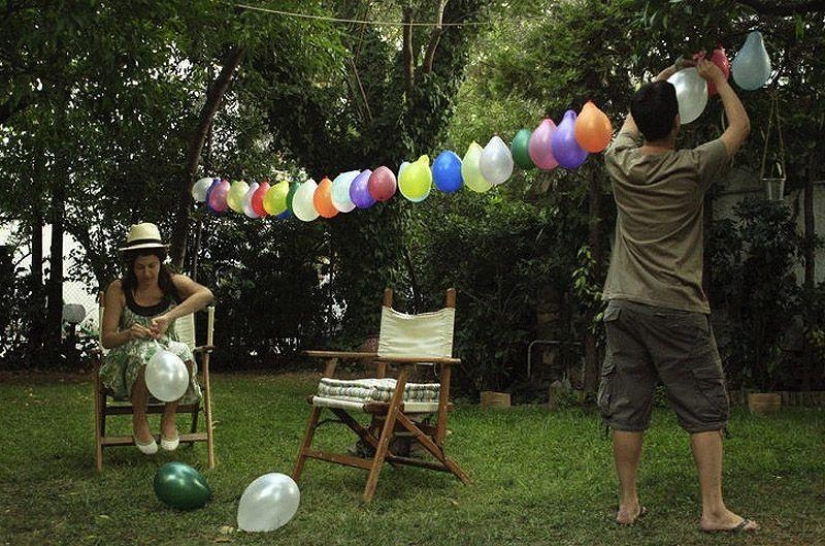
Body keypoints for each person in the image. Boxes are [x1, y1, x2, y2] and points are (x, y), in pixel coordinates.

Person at [598, 58, 757, 533]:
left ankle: (628, 504)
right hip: (676, 306)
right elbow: (741, 126)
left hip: (623, 303)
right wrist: (717, 80)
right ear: (677, 121)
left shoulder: (619, 161)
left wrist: (661, 78)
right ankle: (712, 510)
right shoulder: (692, 167)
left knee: (628, 405)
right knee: (704, 406)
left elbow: (630, 124)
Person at [99, 222, 214, 454]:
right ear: (131, 266)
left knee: (182, 352)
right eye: (140, 267)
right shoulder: (118, 289)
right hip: (128, 357)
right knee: (144, 355)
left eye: (152, 265)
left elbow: (206, 295)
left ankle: (168, 419)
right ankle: (139, 420)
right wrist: (129, 333)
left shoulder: (172, 283)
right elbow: (107, 339)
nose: (147, 273)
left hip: (167, 351)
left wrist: (169, 317)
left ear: (161, 262)